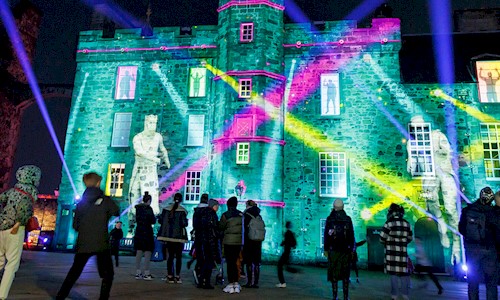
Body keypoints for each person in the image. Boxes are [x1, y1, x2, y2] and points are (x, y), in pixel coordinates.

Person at [56, 172, 119, 300]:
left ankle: (60, 296)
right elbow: (116, 211)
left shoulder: (81, 203)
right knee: (107, 274)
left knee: (74, 272)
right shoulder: (105, 200)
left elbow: (75, 225)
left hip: (84, 243)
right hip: (101, 243)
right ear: (98, 183)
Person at [407, 115, 460, 261]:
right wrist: (412, 165)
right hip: (429, 175)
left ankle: (456, 242)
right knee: (431, 203)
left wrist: (439, 152)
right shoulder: (412, 143)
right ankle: (442, 228)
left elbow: (449, 151)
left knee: (450, 208)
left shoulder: (437, 136)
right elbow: (411, 164)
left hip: (445, 172)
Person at [0, 165, 41, 300]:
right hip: (15, 229)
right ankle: (2, 294)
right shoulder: (29, 194)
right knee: (12, 264)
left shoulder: (11, 191)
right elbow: (25, 211)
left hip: (1, 226)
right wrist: (17, 224)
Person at [128, 114, 171, 234]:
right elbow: (139, 152)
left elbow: (162, 149)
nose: (152, 125)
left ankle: (150, 227)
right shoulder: (138, 137)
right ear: (146, 123)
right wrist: (154, 159)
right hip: (139, 169)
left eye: (154, 123)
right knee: (133, 195)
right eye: (150, 123)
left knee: (152, 198)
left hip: (151, 171)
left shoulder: (158, 137)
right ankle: (131, 228)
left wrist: (166, 160)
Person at [459, 187, 498, 300]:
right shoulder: (493, 213)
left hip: (472, 250)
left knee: (472, 283)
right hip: (489, 250)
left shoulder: (467, 210)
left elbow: (461, 229)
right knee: (491, 284)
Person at [380, 203, 413, 300]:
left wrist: (388, 241)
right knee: (403, 274)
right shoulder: (407, 223)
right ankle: (405, 294)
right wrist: (403, 242)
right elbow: (410, 238)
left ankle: (394, 296)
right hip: (402, 253)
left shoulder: (388, 223)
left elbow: (382, 238)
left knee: (393, 274)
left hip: (391, 253)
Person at [324, 199, 355, 300]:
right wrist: (352, 249)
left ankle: (335, 296)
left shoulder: (330, 219)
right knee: (345, 274)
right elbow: (351, 235)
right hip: (345, 250)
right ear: (343, 207)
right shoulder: (348, 219)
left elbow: (326, 236)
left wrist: (326, 249)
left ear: (334, 207)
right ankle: (346, 297)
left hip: (333, 250)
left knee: (334, 275)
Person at [158, 193, 188, 284]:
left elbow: (160, 220)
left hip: (169, 237)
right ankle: (178, 276)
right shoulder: (183, 211)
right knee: (178, 257)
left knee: (170, 257)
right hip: (179, 238)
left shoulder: (166, 209)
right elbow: (184, 224)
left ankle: (170, 275)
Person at [193, 199, 221, 289]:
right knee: (209, 262)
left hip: (200, 241)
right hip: (209, 241)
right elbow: (213, 229)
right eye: (217, 206)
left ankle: (201, 281)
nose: (218, 207)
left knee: (202, 262)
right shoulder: (211, 214)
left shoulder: (200, 213)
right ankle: (206, 282)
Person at [219, 196, 243, 294]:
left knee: (230, 263)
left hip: (229, 241)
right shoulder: (241, 215)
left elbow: (221, 227)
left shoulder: (226, 215)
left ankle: (230, 284)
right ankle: (236, 283)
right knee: (236, 261)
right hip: (238, 242)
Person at [133, 191, 156, 280]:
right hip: (147, 232)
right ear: (149, 200)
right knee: (147, 252)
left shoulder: (138, 209)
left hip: (139, 231)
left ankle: (138, 272)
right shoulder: (148, 209)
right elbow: (153, 220)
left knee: (139, 252)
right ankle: (146, 272)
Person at [243, 200, 264, 288]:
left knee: (249, 262)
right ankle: (255, 283)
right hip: (258, 241)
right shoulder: (259, 215)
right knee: (256, 262)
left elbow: (244, 228)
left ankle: (249, 282)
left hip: (249, 240)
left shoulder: (246, 215)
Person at [190, 193, 209, 283]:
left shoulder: (196, 211)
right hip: (206, 236)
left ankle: (198, 271)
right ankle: (202, 274)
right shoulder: (208, 211)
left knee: (200, 256)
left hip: (198, 235)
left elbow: (194, 224)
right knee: (206, 256)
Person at [276, 221, 297, 288]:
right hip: (288, 252)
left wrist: (284, 243)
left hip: (286, 252)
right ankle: (296, 272)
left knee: (279, 266)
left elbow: (288, 241)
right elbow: (293, 243)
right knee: (286, 267)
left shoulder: (288, 233)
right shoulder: (290, 233)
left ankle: (282, 282)